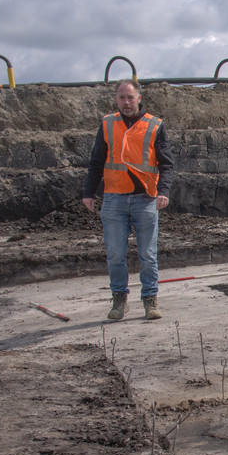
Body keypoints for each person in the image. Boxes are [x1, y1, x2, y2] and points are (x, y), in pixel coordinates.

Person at [82, 79, 175, 321]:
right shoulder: (107, 124)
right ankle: (119, 300)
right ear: (116, 99)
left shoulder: (154, 125)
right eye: (122, 98)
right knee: (115, 253)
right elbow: (96, 161)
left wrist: (163, 191)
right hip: (114, 199)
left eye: (130, 98)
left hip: (145, 199)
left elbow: (166, 164)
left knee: (148, 254)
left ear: (139, 98)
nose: (126, 102)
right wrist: (89, 193)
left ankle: (150, 300)